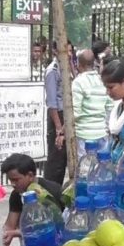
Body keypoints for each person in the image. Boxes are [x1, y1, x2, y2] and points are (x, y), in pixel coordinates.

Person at [1, 153, 64, 246]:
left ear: (30, 175)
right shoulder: (16, 195)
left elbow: (55, 225)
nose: (12, 184)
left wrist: (16, 233)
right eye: (10, 180)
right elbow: (9, 227)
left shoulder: (52, 190)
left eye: (16, 180)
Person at [73, 49, 113, 156]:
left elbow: (75, 113)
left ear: (78, 64)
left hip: (84, 135)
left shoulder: (78, 82)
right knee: (101, 169)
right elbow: (109, 106)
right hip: (102, 133)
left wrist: (63, 130)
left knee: (86, 169)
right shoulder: (102, 81)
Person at [43, 40, 72, 185]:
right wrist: (59, 128)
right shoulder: (52, 71)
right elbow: (52, 103)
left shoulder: (68, 68)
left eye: (70, 51)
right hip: (58, 117)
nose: (69, 54)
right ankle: (51, 192)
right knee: (56, 160)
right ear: (55, 51)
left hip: (68, 115)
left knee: (66, 157)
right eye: (65, 51)